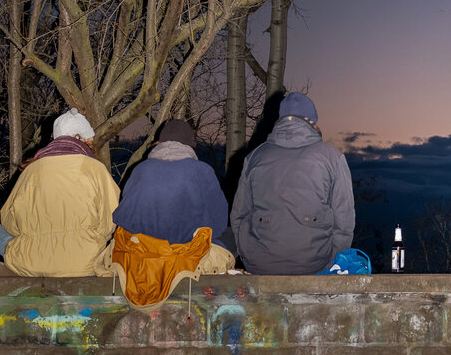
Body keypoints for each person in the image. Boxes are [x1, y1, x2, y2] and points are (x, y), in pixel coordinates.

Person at [231, 92, 355, 274]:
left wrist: (247, 255)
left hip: (260, 263)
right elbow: (344, 219)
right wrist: (333, 264)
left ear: (280, 119)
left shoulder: (255, 156)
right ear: (312, 121)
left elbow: (238, 215)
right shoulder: (332, 157)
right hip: (315, 264)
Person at [0, 108, 119, 277]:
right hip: (85, 262)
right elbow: (112, 220)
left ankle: (18, 273)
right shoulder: (95, 169)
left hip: (31, 261)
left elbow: (10, 223)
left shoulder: (31, 171)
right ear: (81, 138)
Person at [112, 119, 229, 249]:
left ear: (160, 142)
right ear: (190, 145)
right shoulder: (202, 170)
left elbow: (122, 215)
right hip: (186, 255)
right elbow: (219, 222)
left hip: (140, 254)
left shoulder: (141, 169)